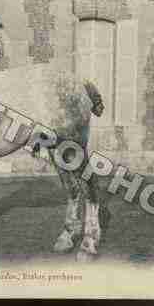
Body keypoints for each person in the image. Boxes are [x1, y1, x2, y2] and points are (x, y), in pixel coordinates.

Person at [47, 80, 111, 258]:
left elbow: (99, 109)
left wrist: (94, 98)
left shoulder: (76, 84)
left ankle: (91, 232)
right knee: (63, 170)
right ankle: (71, 227)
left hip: (79, 98)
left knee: (81, 169)